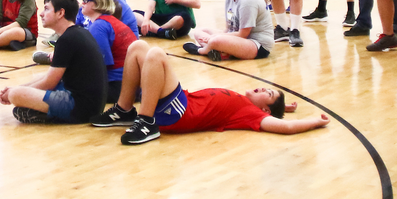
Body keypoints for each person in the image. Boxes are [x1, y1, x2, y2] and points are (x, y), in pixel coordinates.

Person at [91, 40, 330, 144]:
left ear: (264, 109)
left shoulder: (253, 115)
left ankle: (145, 122)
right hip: (179, 102)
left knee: (155, 55)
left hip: (180, 113)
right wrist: (284, 107)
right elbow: (276, 112)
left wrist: (314, 122)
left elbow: (285, 127)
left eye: (267, 93)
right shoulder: (248, 103)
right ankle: (123, 111)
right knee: (137, 47)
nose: (263, 87)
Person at [0, 0, 107, 124]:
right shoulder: (77, 33)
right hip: (91, 105)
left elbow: (49, 83)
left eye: (46, 9)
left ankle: (53, 115)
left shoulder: (67, 39)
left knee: (16, 95)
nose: (41, 14)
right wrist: (16, 87)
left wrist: (14, 92)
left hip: (79, 107)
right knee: (31, 82)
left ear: (60, 13)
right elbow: (51, 78)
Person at [184, 0, 274, 60]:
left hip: (257, 45)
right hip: (239, 39)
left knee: (216, 40)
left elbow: (243, 34)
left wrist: (215, 37)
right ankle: (220, 51)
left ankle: (201, 51)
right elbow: (229, 29)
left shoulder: (248, 0)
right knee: (200, 31)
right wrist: (216, 36)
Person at [79, 0, 136, 103]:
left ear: (96, 4)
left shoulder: (99, 26)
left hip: (117, 87)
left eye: (85, 0)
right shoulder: (108, 21)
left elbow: (101, 63)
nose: (82, 3)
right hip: (130, 85)